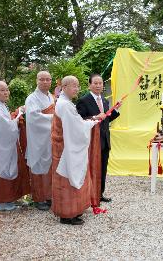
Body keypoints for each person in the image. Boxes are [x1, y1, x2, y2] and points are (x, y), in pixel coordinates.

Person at [51, 75, 101, 225]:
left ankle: (72, 211)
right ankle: (67, 214)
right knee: (66, 181)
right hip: (65, 148)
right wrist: (92, 122)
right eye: (74, 86)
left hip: (64, 146)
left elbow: (76, 123)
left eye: (78, 86)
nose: (77, 89)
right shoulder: (65, 105)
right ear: (64, 87)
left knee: (67, 179)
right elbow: (77, 128)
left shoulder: (65, 103)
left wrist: (90, 121)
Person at [0, 81, 30, 211]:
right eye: (2, 90)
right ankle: (2, 202)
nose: (6, 93)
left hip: (2, 143)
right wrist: (18, 116)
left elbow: (6, 122)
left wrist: (16, 114)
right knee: (0, 171)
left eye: (7, 90)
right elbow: (6, 127)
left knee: (6, 170)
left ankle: (9, 200)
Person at [76, 73, 120, 203]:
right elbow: (79, 119)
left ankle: (100, 194)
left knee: (103, 168)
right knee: (91, 168)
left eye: (100, 83)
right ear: (89, 85)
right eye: (95, 83)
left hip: (105, 140)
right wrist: (95, 117)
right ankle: (88, 195)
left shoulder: (105, 100)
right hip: (91, 141)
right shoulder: (84, 100)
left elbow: (105, 119)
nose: (98, 85)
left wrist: (115, 111)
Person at [25, 71, 55, 211]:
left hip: (50, 138)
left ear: (51, 81)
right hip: (38, 139)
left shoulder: (51, 97)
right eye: (42, 79)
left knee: (50, 167)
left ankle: (49, 196)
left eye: (47, 79)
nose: (45, 82)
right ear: (37, 80)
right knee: (38, 166)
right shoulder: (32, 98)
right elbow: (34, 118)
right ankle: (38, 198)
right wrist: (53, 118)